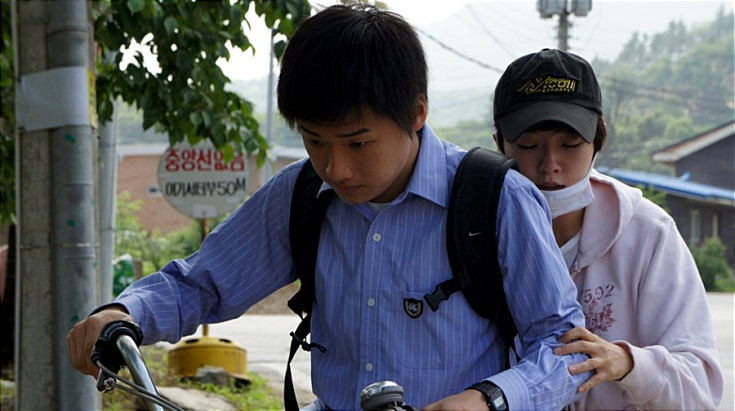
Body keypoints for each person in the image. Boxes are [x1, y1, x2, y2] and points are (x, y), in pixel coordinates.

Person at [67, 6, 592, 410]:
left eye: (357, 143)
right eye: (315, 141)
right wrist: (124, 311)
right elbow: (202, 283)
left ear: (416, 113)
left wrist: (489, 398)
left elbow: (565, 348)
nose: (335, 168)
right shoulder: (299, 194)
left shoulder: (496, 198)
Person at [492, 48, 724, 410]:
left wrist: (628, 364)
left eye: (570, 144)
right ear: (499, 143)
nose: (549, 165)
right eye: (528, 145)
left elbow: (700, 390)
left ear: (598, 139)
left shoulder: (648, 234)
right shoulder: (474, 232)